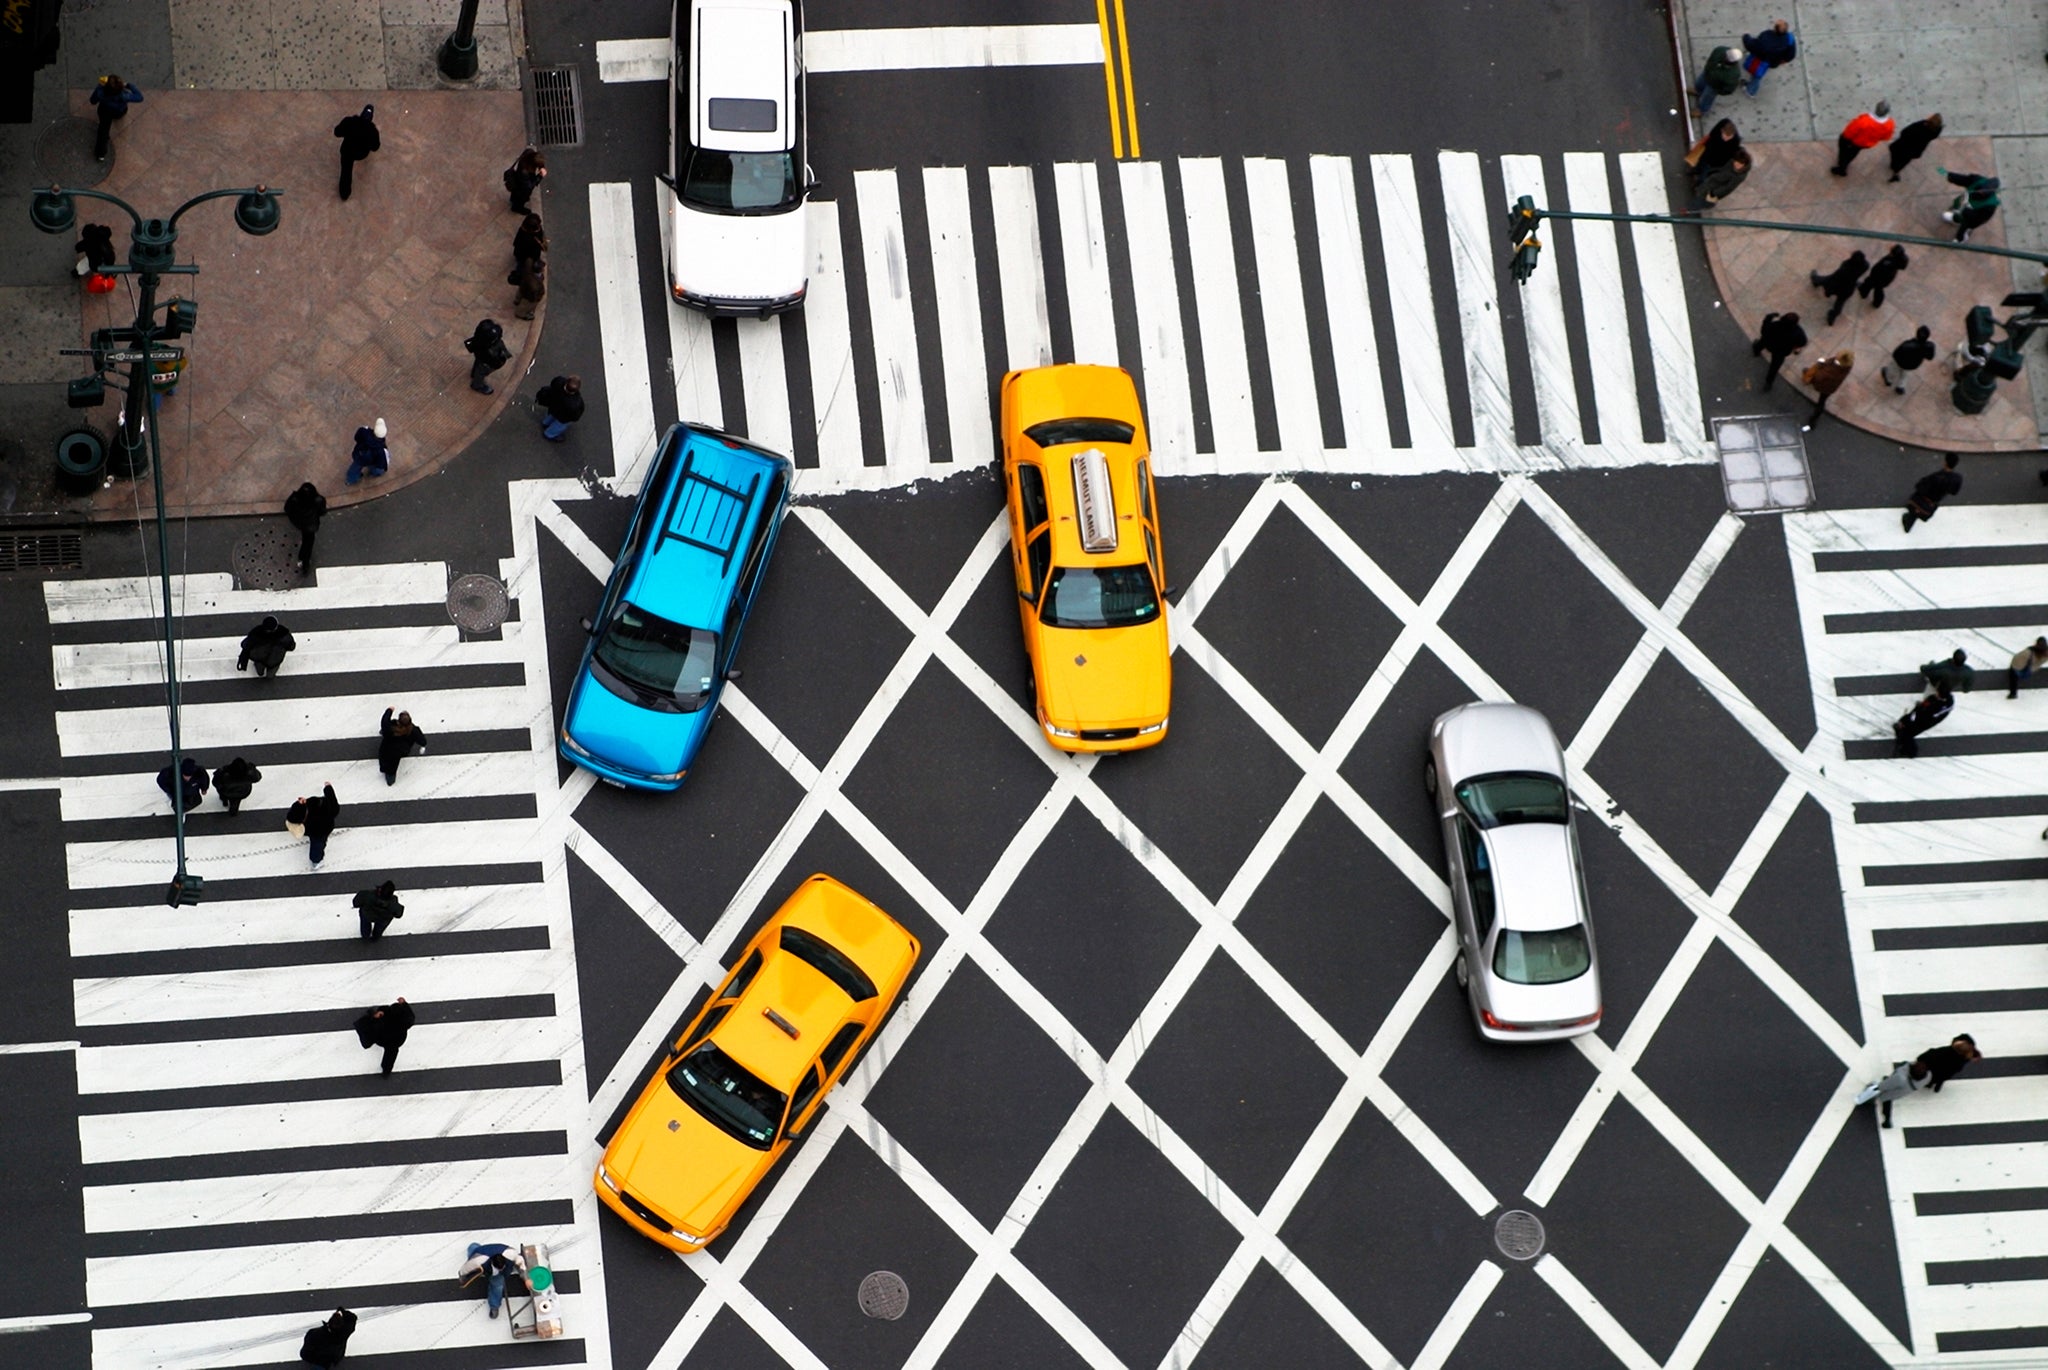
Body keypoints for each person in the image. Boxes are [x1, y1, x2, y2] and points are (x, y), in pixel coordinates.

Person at [1854, 1035, 1979, 1127]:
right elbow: (1947, 1074)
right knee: (1890, 1095)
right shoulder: (1960, 1063)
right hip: (1921, 1081)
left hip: (1914, 1072)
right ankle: (1886, 1118)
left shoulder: (1944, 1051)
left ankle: (1873, 1098)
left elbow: (1925, 1055)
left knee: (1888, 1084)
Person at [458, 1242, 526, 1318]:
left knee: (476, 1249)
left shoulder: (510, 1254)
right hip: (482, 1258)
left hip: (486, 1252)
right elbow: (466, 1268)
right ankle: (494, 1306)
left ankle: (474, 1247)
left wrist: (524, 1275)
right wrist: (462, 1276)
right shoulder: (478, 1262)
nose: (501, 1270)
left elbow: (519, 1260)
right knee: (497, 1286)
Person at [1902, 452, 1962, 532]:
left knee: (1914, 510)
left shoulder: (1936, 477)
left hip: (1922, 499)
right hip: (1933, 503)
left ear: (1945, 462)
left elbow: (1920, 486)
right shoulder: (1957, 478)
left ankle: (1909, 521)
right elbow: (1954, 492)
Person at [354, 997, 414, 1076]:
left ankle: (386, 1069)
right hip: (397, 1040)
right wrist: (405, 1004)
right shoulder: (405, 1021)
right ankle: (386, 1070)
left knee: (368, 1027)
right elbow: (410, 1017)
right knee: (391, 1054)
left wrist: (376, 1017)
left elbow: (377, 1023)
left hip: (383, 1038)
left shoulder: (386, 1014)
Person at [89, 75, 143, 161]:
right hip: (118, 112)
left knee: (103, 130)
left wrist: (99, 86)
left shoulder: (100, 92)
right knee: (108, 125)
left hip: (104, 111)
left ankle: (100, 154)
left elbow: (92, 101)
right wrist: (129, 85)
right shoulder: (124, 96)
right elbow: (140, 97)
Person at [1832, 102, 1895, 176]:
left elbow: (1849, 133)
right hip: (1866, 144)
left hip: (1852, 141)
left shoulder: (1864, 121)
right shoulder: (1890, 124)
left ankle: (1842, 168)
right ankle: (1845, 163)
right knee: (1853, 153)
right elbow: (1885, 137)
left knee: (1844, 153)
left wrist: (1844, 139)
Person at [333, 104, 380, 202]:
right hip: (361, 154)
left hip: (347, 151)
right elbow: (375, 147)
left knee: (346, 171)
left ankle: (344, 193)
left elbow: (337, 132)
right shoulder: (372, 131)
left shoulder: (349, 122)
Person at [1940, 169, 2000, 242]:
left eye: (1984, 193)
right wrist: (1951, 176)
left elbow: (1980, 219)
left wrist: (1967, 213)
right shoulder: (1977, 180)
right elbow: (1964, 179)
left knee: (1964, 227)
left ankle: (1960, 239)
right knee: (1958, 214)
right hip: (1964, 204)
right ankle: (1955, 219)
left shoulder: (1990, 206)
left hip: (1970, 218)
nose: (1981, 192)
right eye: (1981, 189)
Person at [1752, 311, 1807, 391]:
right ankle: (1768, 383)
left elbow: (1764, 330)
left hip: (1769, 344)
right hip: (1781, 351)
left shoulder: (1775, 325)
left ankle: (1756, 351)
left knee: (1761, 343)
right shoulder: (1797, 332)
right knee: (1774, 367)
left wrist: (1769, 317)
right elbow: (1803, 342)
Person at [1810, 250, 1868, 326]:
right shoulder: (1865, 266)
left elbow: (1835, 276)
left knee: (1824, 280)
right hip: (1848, 288)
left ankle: (1815, 280)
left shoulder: (1846, 266)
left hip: (1838, 285)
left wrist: (1828, 291)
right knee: (1839, 304)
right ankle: (1832, 317)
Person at [1799, 350, 1853, 431]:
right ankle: (1812, 422)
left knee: (1807, 372)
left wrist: (1820, 363)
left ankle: (1813, 422)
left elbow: (1819, 376)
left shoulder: (1831, 371)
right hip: (1831, 387)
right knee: (1822, 400)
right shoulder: (1848, 366)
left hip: (1823, 385)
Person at [1740, 20, 1796, 97]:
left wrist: (1746, 36)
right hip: (1773, 61)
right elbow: (1791, 55)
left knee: (1756, 75)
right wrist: (1783, 61)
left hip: (1762, 60)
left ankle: (1751, 90)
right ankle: (1751, 90)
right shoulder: (1789, 38)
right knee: (1758, 74)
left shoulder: (1766, 36)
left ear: (1775, 29)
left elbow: (1753, 45)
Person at [1893, 688, 1953, 757]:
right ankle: (1903, 740)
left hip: (1924, 722)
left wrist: (1908, 721)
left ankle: (1910, 751)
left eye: (1938, 694)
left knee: (1907, 733)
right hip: (1921, 717)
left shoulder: (1936, 708)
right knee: (1904, 728)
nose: (1936, 694)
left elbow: (1921, 716)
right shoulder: (1938, 700)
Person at [1688, 148, 1751, 213]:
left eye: (1740, 164)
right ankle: (1703, 202)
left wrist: (1714, 193)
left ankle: (1689, 209)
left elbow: (1728, 188)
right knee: (1703, 192)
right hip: (1713, 179)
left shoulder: (1738, 177)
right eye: (1736, 161)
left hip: (1715, 188)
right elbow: (1722, 168)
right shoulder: (1731, 162)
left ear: (1744, 165)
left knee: (1702, 200)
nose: (1736, 164)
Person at [293, 782, 340, 865]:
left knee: (316, 845)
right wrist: (328, 788)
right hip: (322, 831)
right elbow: (332, 798)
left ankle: (316, 860)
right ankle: (316, 861)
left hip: (314, 831)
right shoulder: (331, 808)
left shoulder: (308, 807)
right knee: (317, 846)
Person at [285, 482, 326, 574]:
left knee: (306, 541)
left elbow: (287, 508)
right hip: (311, 526)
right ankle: (305, 563)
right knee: (308, 543)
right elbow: (323, 512)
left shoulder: (295, 498)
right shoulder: (318, 500)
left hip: (300, 523)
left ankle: (301, 559)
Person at [379, 708, 427, 786]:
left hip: (386, 748)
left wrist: (389, 710)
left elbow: (384, 722)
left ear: (398, 721)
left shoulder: (390, 728)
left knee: (384, 759)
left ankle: (385, 770)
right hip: (401, 751)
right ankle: (390, 778)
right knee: (393, 764)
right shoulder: (413, 731)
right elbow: (423, 741)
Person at [1881, 326, 1936, 394]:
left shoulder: (1907, 345)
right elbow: (1930, 357)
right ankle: (1900, 387)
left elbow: (1896, 354)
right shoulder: (1928, 347)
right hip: (1912, 365)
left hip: (1900, 362)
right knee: (1905, 374)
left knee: (1892, 370)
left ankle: (1888, 380)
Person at [1889, 113, 1943, 182]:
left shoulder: (1920, 126)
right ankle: (1896, 170)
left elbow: (1904, 132)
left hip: (1905, 144)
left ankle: (1895, 169)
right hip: (1916, 149)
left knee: (1895, 152)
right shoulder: (1936, 130)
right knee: (1904, 160)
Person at [1856, 244, 1909, 310]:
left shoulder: (1889, 264)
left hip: (1879, 278)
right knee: (1876, 288)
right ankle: (1875, 301)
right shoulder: (1896, 260)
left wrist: (1873, 274)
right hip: (1882, 280)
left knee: (1871, 285)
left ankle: (1864, 292)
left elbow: (1880, 270)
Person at [464, 319, 510, 395]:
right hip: (486, 361)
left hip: (481, 357)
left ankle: (474, 373)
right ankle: (477, 385)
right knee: (481, 371)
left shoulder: (479, 340)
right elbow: (494, 361)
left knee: (478, 364)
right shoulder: (488, 349)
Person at [1695, 46, 1745, 115]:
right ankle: (1698, 91)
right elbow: (1711, 60)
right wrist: (1707, 69)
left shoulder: (1734, 74)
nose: (1726, 58)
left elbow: (1729, 89)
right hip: (1707, 74)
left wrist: (1717, 90)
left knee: (1707, 99)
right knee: (1699, 84)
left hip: (1713, 87)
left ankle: (1702, 110)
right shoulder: (1719, 50)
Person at [535, 375, 584, 441]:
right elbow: (575, 416)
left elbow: (552, 384)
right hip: (563, 416)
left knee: (551, 414)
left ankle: (546, 423)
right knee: (559, 425)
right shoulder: (575, 403)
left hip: (553, 405)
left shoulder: (558, 382)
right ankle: (549, 434)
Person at [346, 418, 389, 486]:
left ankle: (350, 480)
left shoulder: (365, 431)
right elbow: (381, 463)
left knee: (354, 468)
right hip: (371, 461)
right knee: (378, 469)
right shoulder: (381, 450)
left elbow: (356, 437)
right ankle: (374, 473)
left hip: (359, 455)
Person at [504, 146, 547, 213]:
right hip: (521, 188)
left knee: (515, 195)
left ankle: (513, 201)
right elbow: (529, 186)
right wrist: (540, 176)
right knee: (520, 199)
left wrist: (541, 167)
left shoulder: (529, 153)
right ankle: (517, 208)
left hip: (517, 181)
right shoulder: (525, 172)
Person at [511, 254, 545, 320]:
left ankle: (517, 300)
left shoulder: (528, 268)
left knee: (519, 294)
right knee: (526, 304)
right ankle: (521, 314)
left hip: (523, 287)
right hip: (529, 295)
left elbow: (528, 261)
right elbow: (535, 293)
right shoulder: (535, 284)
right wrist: (537, 298)